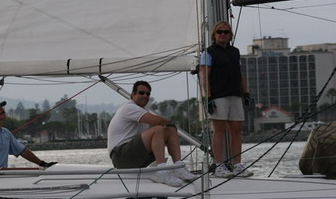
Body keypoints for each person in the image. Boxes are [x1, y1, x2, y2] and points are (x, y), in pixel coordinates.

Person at [106, 81, 198, 186]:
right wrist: (169, 121)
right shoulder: (129, 107)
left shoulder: (143, 111)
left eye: (148, 94)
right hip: (120, 158)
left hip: (135, 157)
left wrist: (170, 126)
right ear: (132, 95)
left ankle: (178, 166)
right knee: (158, 129)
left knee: (170, 129)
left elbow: (160, 132)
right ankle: (162, 170)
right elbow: (157, 121)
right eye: (141, 93)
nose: (145, 96)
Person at [200, 21, 252, 178]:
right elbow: (205, 77)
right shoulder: (208, 53)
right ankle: (219, 165)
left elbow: (240, 74)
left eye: (226, 32)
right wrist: (208, 98)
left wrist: (246, 93)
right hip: (218, 95)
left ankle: (237, 165)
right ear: (214, 35)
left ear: (230, 35)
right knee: (219, 131)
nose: (223, 34)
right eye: (220, 32)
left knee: (236, 131)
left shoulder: (235, 52)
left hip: (235, 94)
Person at [0, 101, 57, 170]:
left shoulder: (6, 133)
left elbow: (23, 151)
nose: (2, 110)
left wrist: (42, 164)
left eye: (1, 107)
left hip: (1, 175)